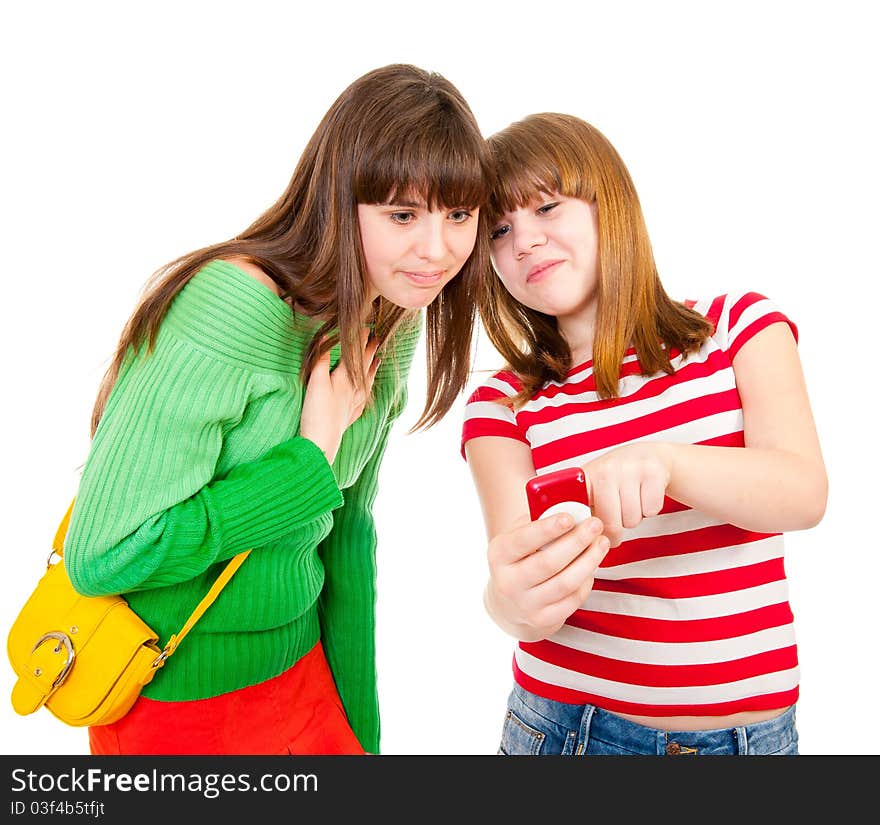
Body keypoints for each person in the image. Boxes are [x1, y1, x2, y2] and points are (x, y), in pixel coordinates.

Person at [64, 63, 493, 755]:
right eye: (403, 214)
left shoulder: (395, 311)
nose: (437, 250)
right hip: (179, 702)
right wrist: (310, 455)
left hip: (307, 677)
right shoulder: (230, 304)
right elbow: (105, 553)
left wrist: (362, 735)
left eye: (459, 215)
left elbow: (347, 530)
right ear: (339, 198)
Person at [461, 113, 827, 756]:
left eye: (548, 206)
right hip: (567, 733)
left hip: (756, 742)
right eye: (500, 229)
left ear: (613, 204)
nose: (524, 241)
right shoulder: (504, 405)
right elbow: (519, 589)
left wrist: (665, 463)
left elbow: (803, 493)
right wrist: (509, 599)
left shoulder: (737, 328)